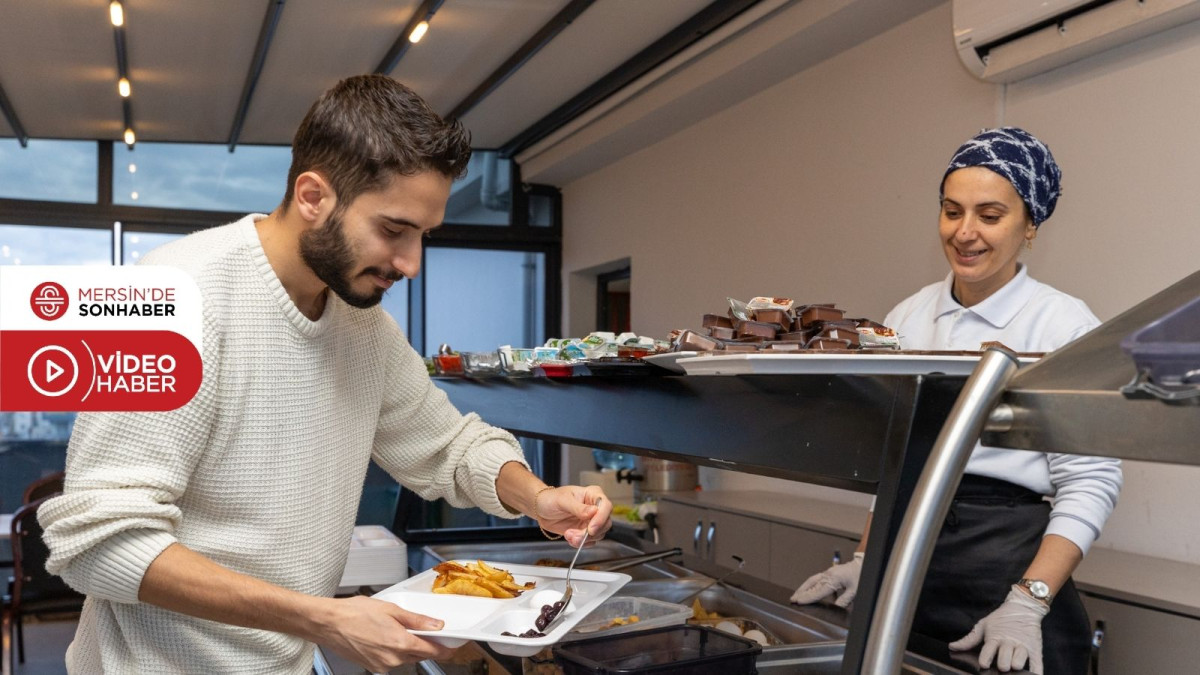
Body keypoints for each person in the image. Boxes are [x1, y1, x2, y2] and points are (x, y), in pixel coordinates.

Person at [39, 74, 613, 674]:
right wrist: (326, 617)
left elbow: (449, 446)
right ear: (313, 196)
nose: (411, 264)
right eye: (393, 230)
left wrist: (541, 498)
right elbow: (100, 542)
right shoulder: (168, 299)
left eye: (422, 236)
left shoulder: (363, 328)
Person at [790, 127, 1122, 675]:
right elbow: (894, 466)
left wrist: (1028, 601)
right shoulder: (906, 319)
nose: (965, 232)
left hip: (1007, 568)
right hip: (909, 574)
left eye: (989, 216)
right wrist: (861, 560)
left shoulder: (1064, 325)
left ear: (1030, 224)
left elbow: (1091, 481)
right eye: (951, 211)